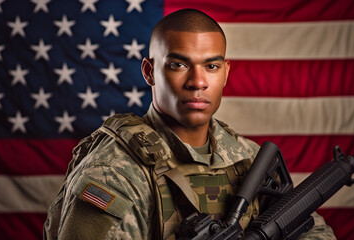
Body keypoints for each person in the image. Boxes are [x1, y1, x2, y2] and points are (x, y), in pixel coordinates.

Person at [43, 9, 336, 240]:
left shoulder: (248, 157)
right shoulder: (114, 171)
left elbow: (314, 231)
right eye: (178, 65)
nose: (197, 82)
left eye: (211, 66)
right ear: (149, 72)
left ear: (225, 72)